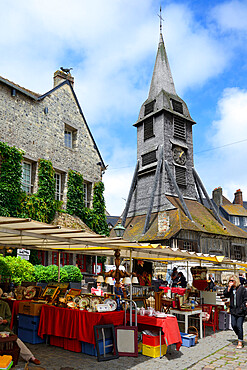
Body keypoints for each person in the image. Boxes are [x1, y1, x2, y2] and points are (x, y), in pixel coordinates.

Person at [0, 289, 40, 365]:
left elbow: (9, 319)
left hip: (3, 330)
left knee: (17, 340)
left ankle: (31, 357)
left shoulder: (4, 305)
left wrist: (3, 321)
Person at [223, 275, 247, 349]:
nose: (231, 282)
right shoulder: (230, 289)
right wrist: (229, 287)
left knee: (239, 326)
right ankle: (240, 336)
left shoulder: (242, 288)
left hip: (241, 310)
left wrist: (243, 307)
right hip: (233, 310)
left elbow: (245, 298)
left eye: (232, 281)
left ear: (236, 281)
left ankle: (240, 341)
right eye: (230, 281)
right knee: (233, 325)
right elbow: (225, 295)